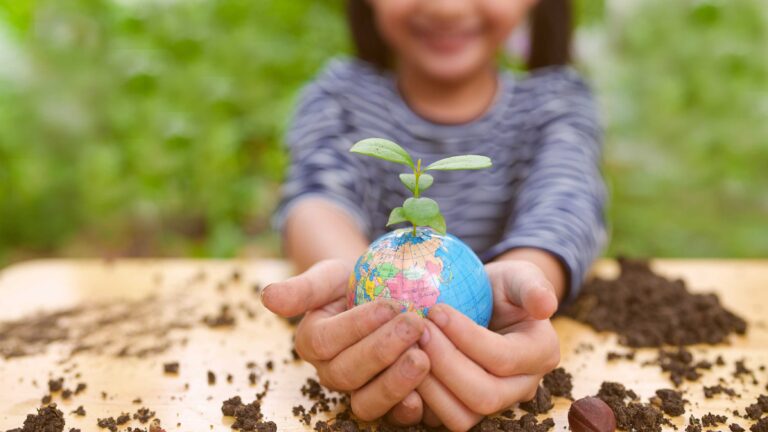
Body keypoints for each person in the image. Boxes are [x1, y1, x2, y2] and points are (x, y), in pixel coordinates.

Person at [261, 0, 606, 430]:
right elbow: (316, 201)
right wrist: (354, 288)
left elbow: (566, 207)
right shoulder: (339, 98)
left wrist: (527, 288)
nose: (447, 7)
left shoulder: (557, 103)